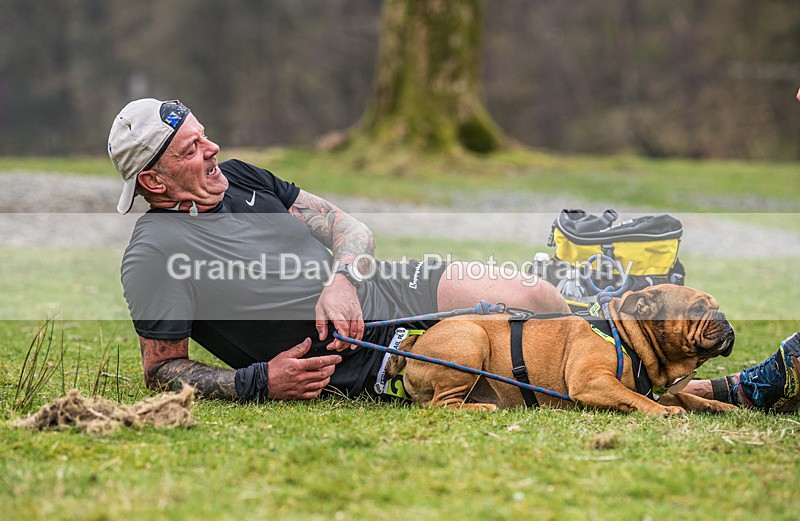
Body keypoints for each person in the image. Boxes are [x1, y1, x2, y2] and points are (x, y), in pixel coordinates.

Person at [108, 98, 799, 412]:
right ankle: (660, 378)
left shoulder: (245, 178)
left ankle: (651, 357)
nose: (212, 150)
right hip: (356, 352)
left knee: (538, 298)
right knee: (527, 373)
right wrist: (261, 380)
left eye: (205, 136)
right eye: (192, 149)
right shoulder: (154, 259)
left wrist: (343, 279)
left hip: (379, 289)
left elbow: (349, 226)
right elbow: (163, 372)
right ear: (153, 179)